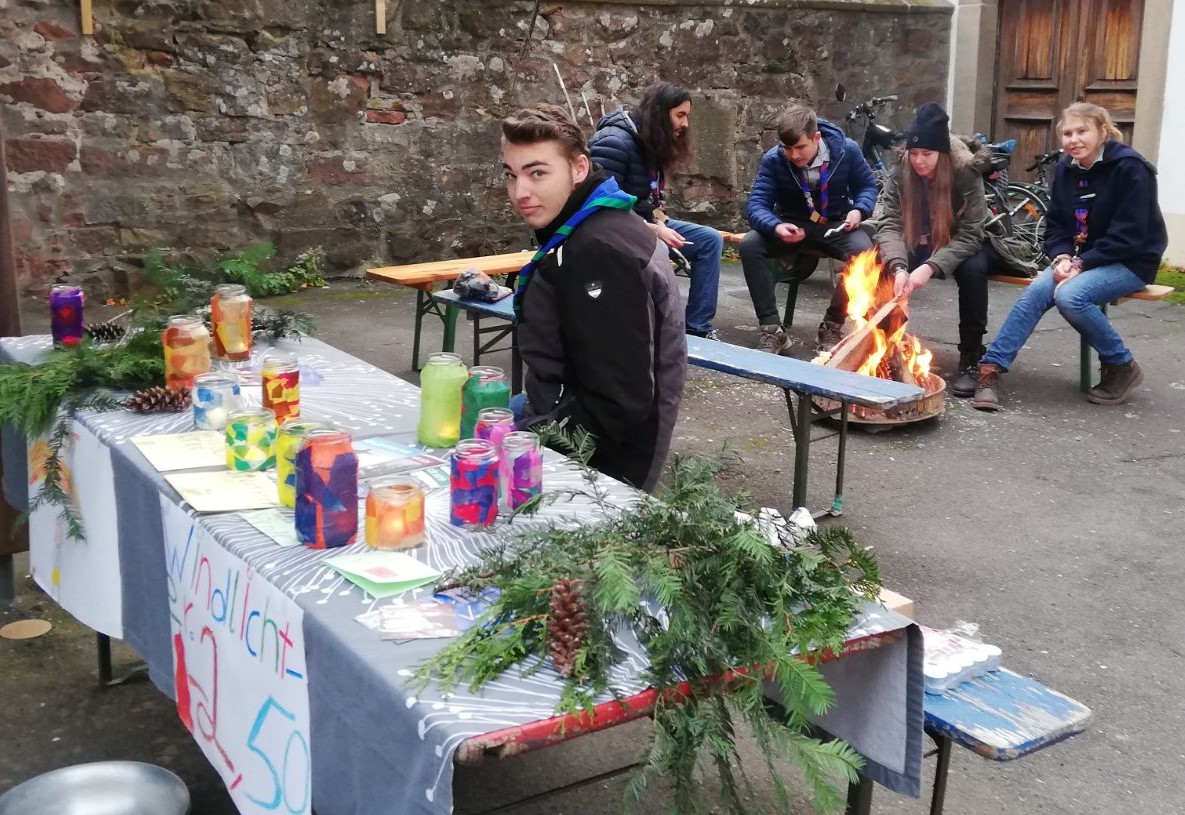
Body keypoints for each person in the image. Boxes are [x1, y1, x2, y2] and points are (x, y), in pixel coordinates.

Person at [502, 103, 686, 492]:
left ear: (579, 168)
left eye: (537, 173)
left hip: (600, 467)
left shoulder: (598, 252)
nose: (520, 192)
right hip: (562, 412)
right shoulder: (594, 225)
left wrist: (528, 436)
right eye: (512, 175)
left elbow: (620, 405)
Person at [973, 102, 1167, 410]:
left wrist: (1081, 263)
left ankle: (1121, 366)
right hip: (1082, 260)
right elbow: (1057, 224)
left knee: (1071, 296)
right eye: (1067, 133)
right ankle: (990, 370)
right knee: (1037, 290)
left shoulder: (1131, 168)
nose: (1073, 140)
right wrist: (1062, 256)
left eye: (1082, 131)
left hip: (1131, 260)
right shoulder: (1066, 167)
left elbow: (1131, 234)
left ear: (1102, 132)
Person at [868, 103, 994, 397]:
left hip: (958, 245)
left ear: (942, 154)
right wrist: (900, 266)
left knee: (975, 270)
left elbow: (973, 232)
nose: (920, 161)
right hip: (916, 241)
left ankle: (971, 356)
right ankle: (884, 345)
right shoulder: (901, 173)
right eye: (914, 154)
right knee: (877, 258)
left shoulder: (965, 173)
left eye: (927, 154)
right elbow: (889, 223)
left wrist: (930, 267)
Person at [589, 82, 725, 340]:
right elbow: (601, 210)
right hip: (613, 231)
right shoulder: (613, 142)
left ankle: (697, 329)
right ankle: (651, 333)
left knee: (710, 240)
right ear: (660, 113)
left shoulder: (650, 139)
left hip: (647, 223)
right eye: (680, 115)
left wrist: (657, 225)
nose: (685, 124)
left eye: (687, 116)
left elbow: (647, 200)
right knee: (658, 249)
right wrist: (654, 230)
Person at [740, 103, 878, 354]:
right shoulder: (774, 159)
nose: (793, 155)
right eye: (787, 148)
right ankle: (772, 330)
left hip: (835, 224)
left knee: (864, 252)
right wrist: (777, 226)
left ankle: (832, 325)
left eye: (800, 147)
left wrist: (859, 210)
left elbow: (867, 186)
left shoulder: (847, 151)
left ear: (817, 137)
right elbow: (757, 205)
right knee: (750, 245)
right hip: (791, 224)